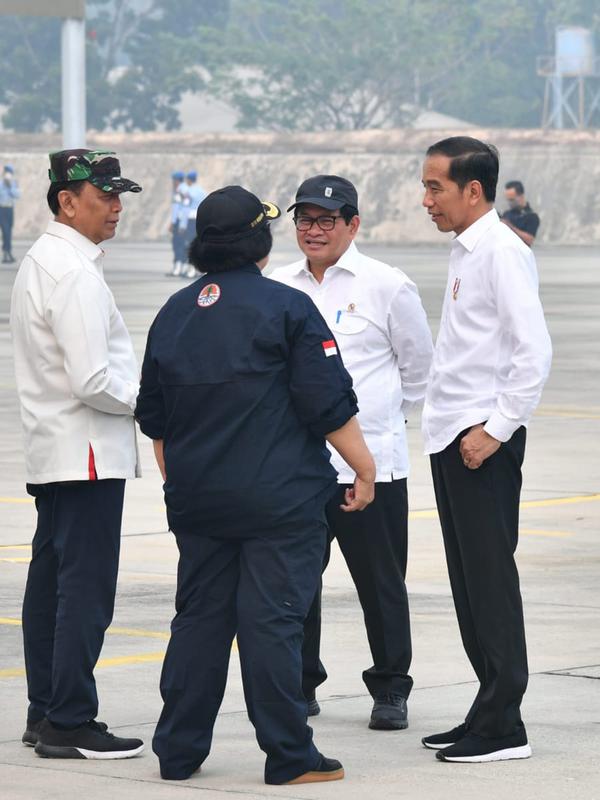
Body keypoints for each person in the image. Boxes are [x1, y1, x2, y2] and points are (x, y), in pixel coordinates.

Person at [135, 185, 376, 785]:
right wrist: (365, 468)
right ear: (258, 241)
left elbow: (157, 421)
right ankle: (290, 756)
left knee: (198, 621)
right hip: (278, 501)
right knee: (273, 622)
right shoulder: (288, 308)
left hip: (198, 500)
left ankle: (179, 752)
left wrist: (187, 483)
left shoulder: (174, 313)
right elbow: (327, 405)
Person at [271, 175, 433, 731]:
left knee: (381, 584)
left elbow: (419, 370)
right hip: (298, 468)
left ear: (353, 224)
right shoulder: (279, 285)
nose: (314, 231)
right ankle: (301, 683)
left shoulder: (387, 285)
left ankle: (390, 688)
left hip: (371, 467)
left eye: (327, 220)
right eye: (305, 220)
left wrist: (377, 426)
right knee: (297, 583)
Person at [10, 149, 145, 760]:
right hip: (87, 452)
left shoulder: (47, 260)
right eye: (104, 195)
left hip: (56, 449)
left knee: (51, 588)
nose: (115, 207)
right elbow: (94, 380)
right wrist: (151, 402)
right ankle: (69, 718)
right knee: (84, 592)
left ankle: (46, 710)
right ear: (67, 201)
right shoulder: (74, 272)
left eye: (119, 196)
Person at [420, 136, 552, 763]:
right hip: (452, 434)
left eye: (435, 187)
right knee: (469, 584)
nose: (427, 199)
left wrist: (496, 430)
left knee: (491, 582)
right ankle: (488, 706)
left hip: (480, 440)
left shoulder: (501, 250)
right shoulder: (466, 250)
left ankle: (504, 727)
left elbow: (533, 352)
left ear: (473, 190)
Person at [181, 170, 207, 278]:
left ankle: (191, 268)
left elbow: (185, 208)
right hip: (200, 219)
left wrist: (182, 224)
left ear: (188, 179)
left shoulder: (188, 192)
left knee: (189, 244)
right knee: (199, 243)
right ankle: (201, 269)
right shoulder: (201, 191)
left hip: (190, 220)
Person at [501, 180, 540, 247]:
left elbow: (529, 240)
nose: (510, 202)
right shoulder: (506, 214)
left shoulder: (532, 216)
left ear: (521, 196)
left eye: (512, 199)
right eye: (508, 199)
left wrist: (510, 226)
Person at [166, 170, 188, 277]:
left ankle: (178, 267)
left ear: (176, 180)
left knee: (177, 244)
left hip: (180, 221)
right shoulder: (184, 189)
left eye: (173, 180)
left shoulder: (179, 191)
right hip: (184, 221)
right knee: (182, 244)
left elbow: (179, 209)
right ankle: (182, 267)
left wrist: (174, 222)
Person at [0, 164, 20, 263]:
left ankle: (8, 253)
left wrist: (10, 187)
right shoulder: (0, 184)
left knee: (9, 232)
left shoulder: (13, 184)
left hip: (10, 210)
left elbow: (17, 195)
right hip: (2, 210)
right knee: (5, 232)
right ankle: (6, 253)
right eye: (7, 173)